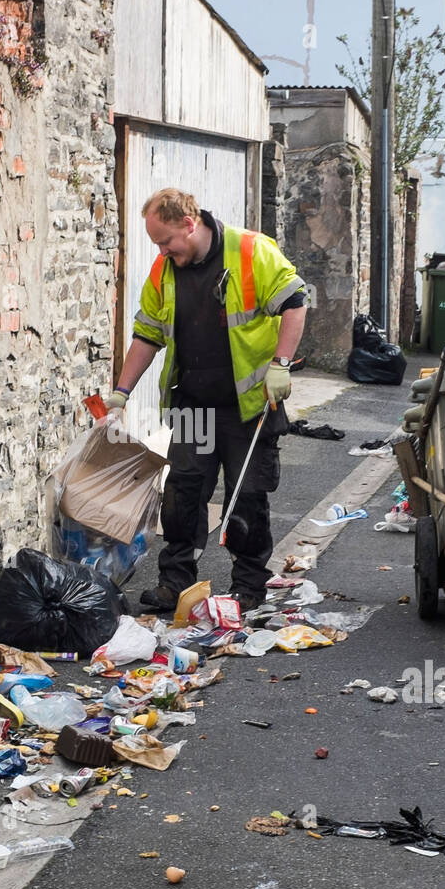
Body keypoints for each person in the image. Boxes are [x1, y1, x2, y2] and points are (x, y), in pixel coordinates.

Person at [103, 188, 307, 611]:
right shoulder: (165, 271)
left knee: (247, 496)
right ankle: (174, 584)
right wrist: (121, 393)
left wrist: (281, 363)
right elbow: (147, 335)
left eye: (165, 240)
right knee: (182, 496)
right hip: (193, 404)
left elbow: (295, 302)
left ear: (189, 225)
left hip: (248, 406)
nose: (160, 250)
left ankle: (248, 586)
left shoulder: (251, 251)